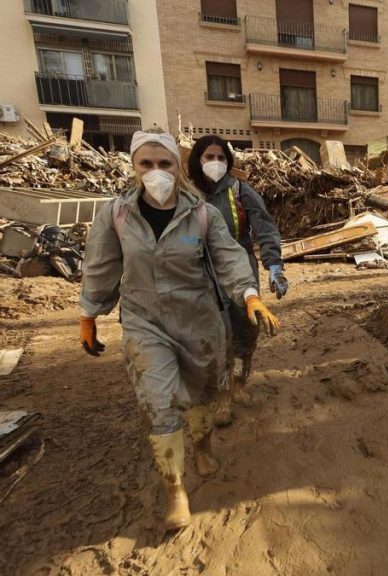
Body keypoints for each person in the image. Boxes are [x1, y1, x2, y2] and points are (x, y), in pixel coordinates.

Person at [79, 128, 282, 531]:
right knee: (157, 399)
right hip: (144, 320)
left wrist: (249, 294)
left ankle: (202, 444)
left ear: (177, 167)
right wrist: (89, 313)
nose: (157, 172)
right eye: (147, 164)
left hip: (199, 318)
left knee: (204, 394)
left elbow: (229, 256)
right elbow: (101, 265)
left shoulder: (201, 213)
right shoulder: (117, 214)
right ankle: (175, 489)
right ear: (135, 167)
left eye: (164, 163)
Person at [188, 135, 287, 424]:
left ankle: (240, 382)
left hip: (241, 266)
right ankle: (221, 395)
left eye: (221, 158)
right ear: (198, 160)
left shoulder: (240, 191)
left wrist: (275, 266)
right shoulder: (186, 196)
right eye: (209, 157)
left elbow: (265, 229)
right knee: (218, 334)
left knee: (246, 328)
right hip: (203, 273)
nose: (216, 163)